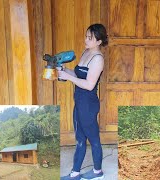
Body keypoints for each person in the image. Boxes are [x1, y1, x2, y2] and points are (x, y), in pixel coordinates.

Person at [60, 23, 108, 180]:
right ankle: (75, 173)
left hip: (88, 103)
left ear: (99, 41)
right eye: (86, 36)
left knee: (93, 139)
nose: (86, 40)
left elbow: (89, 85)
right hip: (79, 101)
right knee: (80, 138)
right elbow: (77, 73)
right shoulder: (86, 52)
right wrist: (63, 71)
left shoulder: (98, 59)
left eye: (90, 38)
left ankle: (97, 171)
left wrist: (69, 78)